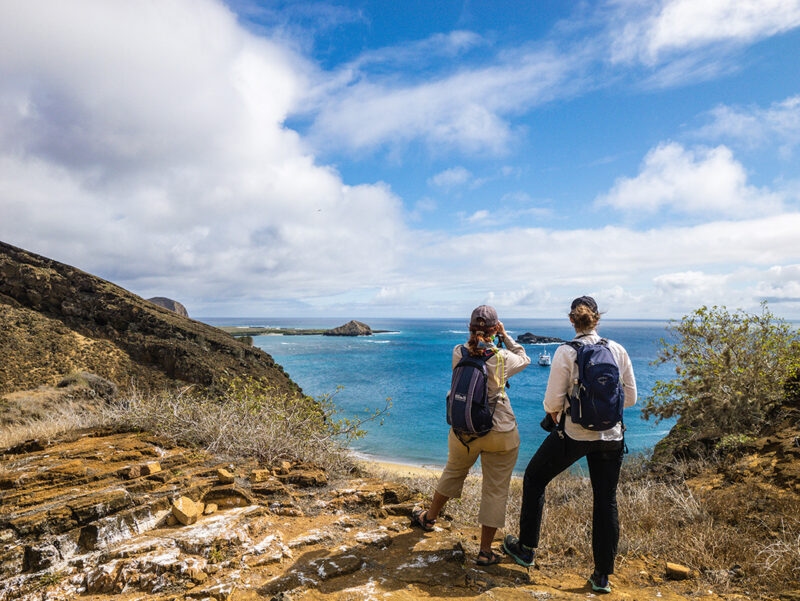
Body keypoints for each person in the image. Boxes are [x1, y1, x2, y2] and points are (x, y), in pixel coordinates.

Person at [502, 296, 636, 594]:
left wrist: (567, 412)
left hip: (574, 434)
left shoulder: (566, 351)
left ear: (571, 320)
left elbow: (551, 402)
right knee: (605, 501)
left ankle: (526, 549)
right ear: (597, 318)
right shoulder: (617, 349)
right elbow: (630, 398)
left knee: (535, 478)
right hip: (612, 436)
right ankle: (602, 576)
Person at [411, 305, 531, 566]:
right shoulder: (501, 358)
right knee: (495, 490)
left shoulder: (458, 352)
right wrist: (507, 337)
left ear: (469, 328)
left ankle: (429, 518)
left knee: (453, 471)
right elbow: (524, 357)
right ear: (494, 328)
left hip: (464, 429)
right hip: (500, 431)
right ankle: (485, 552)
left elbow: (470, 355)